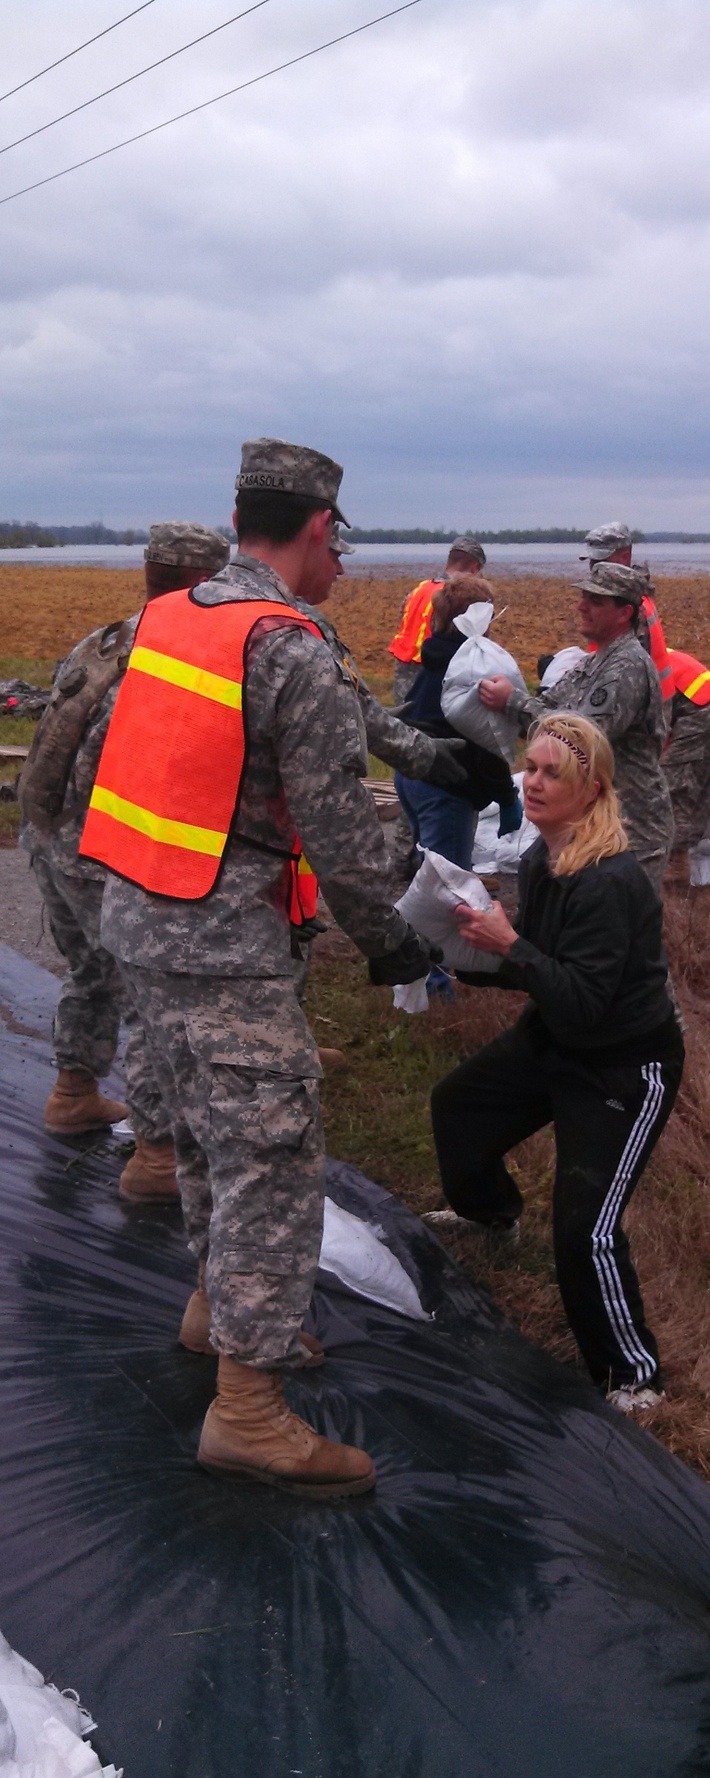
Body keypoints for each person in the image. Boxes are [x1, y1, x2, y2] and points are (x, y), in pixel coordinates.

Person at [82, 437, 437, 1498]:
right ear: (318, 529)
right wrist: (395, 940)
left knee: (201, 1125)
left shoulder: (167, 618)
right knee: (272, 1156)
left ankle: (214, 1304)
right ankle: (249, 1408)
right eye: (341, 546)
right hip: (226, 941)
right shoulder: (290, 646)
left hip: (140, 918)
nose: (341, 569)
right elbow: (341, 832)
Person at [428, 713, 684, 1413]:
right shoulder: (543, 858)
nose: (532, 783)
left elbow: (585, 1002)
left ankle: (635, 1376)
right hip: (558, 1036)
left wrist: (510, 945)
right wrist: (455, 952)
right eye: (530, 768)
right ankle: (490, 1214)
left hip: (624, 1066)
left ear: (591, 790)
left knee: (585, 1227)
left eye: (551, 774)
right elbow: (538, 975)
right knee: (458, 1106)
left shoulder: (609, 880)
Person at [18, 521, 230, 1204]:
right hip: (103, 856)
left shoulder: (105, 639)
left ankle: (73, 1093)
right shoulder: (175, 655)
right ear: (203, 583)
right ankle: (157, 1157)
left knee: (90, 971)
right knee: (151, 999)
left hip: (48, 839)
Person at [479, 562, 674, 891]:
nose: (581, 606)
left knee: (623, 931)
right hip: (597, 823)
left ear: (624, 613)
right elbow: (549, 710)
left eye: (595, 601)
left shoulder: (627, 666)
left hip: (633, 828)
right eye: (583, 596)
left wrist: (512, 701)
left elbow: (579, 740)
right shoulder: (594, 662)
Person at [583, 521, 710, 850]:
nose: (595, 567)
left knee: (669, 794)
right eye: (592, 561)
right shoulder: (629, 604)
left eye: (603, 560)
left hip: (699, 710)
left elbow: (633, 692)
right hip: (686, 707)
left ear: (625, 555)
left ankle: (671, 875)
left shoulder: (630, 611)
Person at [394, 573, 522, 869]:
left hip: (412, 775)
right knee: (448, 886)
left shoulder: (436, 656)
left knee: (429, 872)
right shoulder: (472, 669)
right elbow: (486, 741)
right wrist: (506, 797)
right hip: (445, 785)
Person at [388, 535, 486, 703]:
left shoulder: (418, 590)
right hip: (431, 679)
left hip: (403, 678)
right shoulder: (455, 598)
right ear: (474, 568)